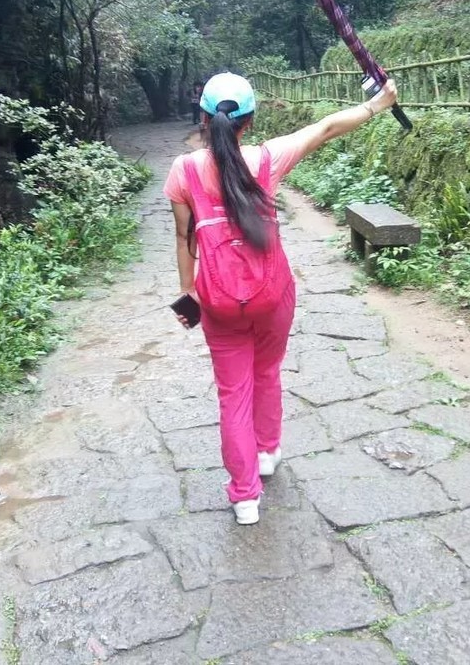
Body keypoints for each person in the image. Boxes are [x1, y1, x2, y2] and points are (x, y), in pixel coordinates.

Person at [162, 71, 399, 524]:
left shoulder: (183, 170)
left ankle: (245, 497)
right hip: (272, 295)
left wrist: (188, 293)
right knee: (267, 371)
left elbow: (183, 236)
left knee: (234, 394)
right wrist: (377, 105)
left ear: (204, 119)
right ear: (249, 119)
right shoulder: (267, 159)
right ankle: (267, 452)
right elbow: (326, 127)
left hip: (218, 302)